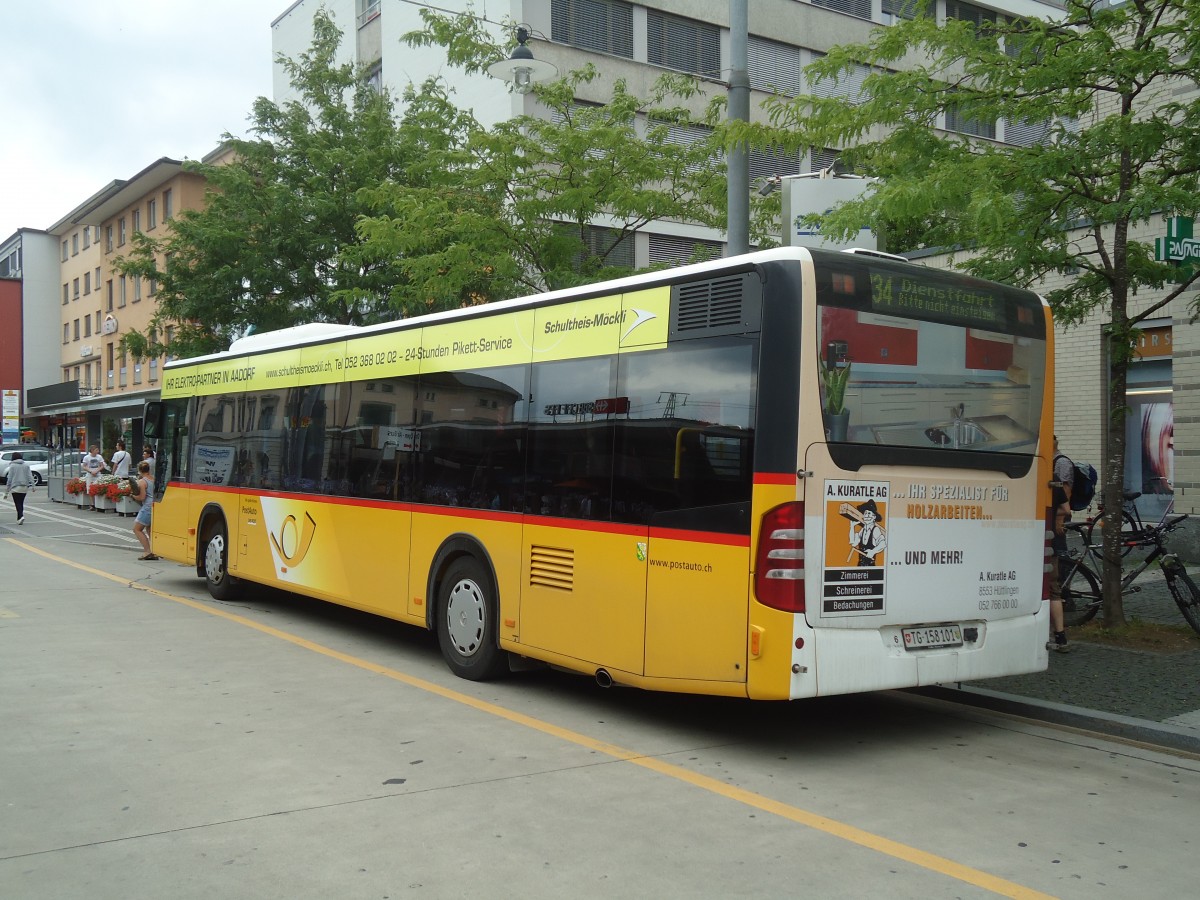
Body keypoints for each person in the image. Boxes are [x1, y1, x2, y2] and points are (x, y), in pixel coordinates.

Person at [1049, 435, 1073, 652]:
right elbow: (1066, 509)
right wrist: (1056, 517)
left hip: (1033, 541)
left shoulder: (1035, 477)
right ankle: (1060, 637)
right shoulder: (1053, 479)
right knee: (1053, 590)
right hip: (1051, 542)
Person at [131, 460, 158, 560]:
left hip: (147, 507)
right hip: (155, 505)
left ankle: (147, 551)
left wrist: (133, 496)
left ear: (139, 470)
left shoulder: (142, 481)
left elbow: (142, 497)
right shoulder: (153, 479)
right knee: (149, 529)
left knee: (137, 529)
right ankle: (155, 550)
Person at [849, 498, 887, 566]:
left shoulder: (875, 530)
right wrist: (852, 527)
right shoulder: (862, 531)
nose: (867, 516)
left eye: (869, 513)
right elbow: (853, 543)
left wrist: (873, 551)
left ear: (874, 517)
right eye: (865, 513)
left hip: (870, 566)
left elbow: (883, 543)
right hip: (860, 565)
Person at [3, 452, 34, 525]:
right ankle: (19, 518)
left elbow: (10, 478)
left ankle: (21, 516)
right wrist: (33, 486)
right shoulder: (26, 465)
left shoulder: (12, 466)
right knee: (21, 502)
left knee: (17, 503)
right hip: (24, 487)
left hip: (15, 487)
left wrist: (7, 490)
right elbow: (30, 476)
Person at [81, 444, 108, 511]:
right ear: (92, 450)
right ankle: (92, 504)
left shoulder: (99, 457)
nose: (98, 451)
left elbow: (102, 465)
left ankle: (98, 504)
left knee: (98, 487)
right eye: (96, 450)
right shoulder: (87, 457)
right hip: (90, 474)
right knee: (89, 488)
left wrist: (97, 470)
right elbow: (84, 466)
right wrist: (90, 471)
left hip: (97, 474)